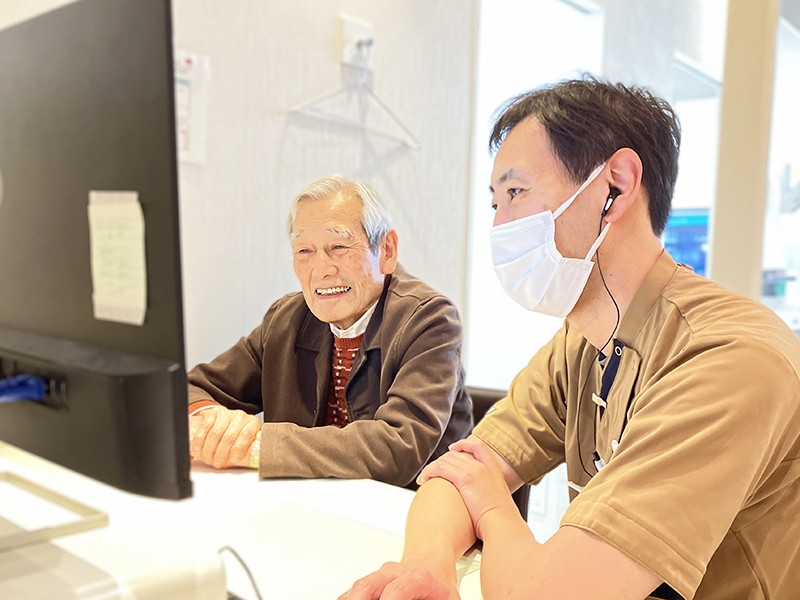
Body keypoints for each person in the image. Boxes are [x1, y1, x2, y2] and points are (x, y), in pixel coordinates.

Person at [341, 78, 800, 600]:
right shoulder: (583, 341)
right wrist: (427, 566)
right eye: (495, 203)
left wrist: (493, 508)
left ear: (616, 187)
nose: (500, 224)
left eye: (515, 193)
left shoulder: (729, 360)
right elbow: (459, 472)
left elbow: (544, 593)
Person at [187, 175, 472, 487]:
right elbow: (193, 389)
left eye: (338, 246)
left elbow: (396, 449)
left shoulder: (428, 319)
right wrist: (215, 425)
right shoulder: (286, 318)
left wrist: (255, 446)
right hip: (311, 508)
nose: (321, 269)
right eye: (305, 251)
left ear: (387, 250)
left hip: (414, 514)